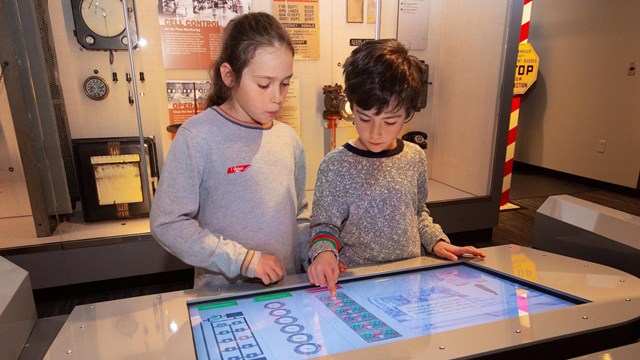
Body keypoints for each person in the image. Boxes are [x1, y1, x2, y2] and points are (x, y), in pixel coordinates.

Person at [307, 39, 485, 296]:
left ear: (408, 114)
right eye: (365, 118)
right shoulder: (336, 165)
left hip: (411, 279)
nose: (376, 133)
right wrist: (324, 253)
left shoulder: (413, 157)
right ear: (351, 108)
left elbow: (417, 211)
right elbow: (325, 226)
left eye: (390, 121)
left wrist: (435, 241)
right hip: (357, 284)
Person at [151, 12, 309, 290]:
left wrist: (317, 252)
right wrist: (242, 259)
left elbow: (300, 215)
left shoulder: (288, 138)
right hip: (223, 294)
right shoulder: (197, 136)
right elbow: (168, 224)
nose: (277, 97)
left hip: (288, 289)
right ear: (229, 75)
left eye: (285, 83)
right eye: (264, 84)